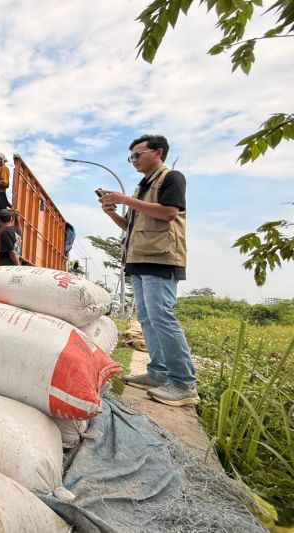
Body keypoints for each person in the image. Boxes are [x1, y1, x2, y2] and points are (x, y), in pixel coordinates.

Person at [98, 134, 197, 407]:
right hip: (139, 259)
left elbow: (168, 213)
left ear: (158, 152)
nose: (134, 161)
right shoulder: (142, 187)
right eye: (131, 157)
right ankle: (158, 373)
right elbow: (127, 224)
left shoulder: (172, 178)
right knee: (148, 319)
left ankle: (184, 384)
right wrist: (111, 210)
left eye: (138, 155)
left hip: (162, 259)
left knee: (162, 317)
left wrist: (126, 200)